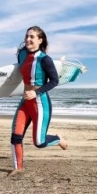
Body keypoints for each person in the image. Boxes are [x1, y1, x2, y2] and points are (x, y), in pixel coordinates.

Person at [8, 26, 68, 177]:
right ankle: (18, 168)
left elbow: (54, 81)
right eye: (27, 36)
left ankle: (58, 138)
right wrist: (10, 90)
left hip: (40, 103)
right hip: (25, 102)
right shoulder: (21, 54)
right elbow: (18, 74)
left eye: (32, 37)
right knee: (15, 135)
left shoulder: (45, 60)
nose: (28, 39)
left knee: (39, 143)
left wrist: (36, 92)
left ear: (40, 40)